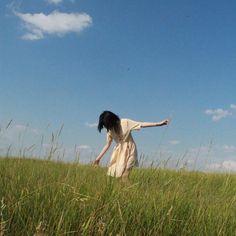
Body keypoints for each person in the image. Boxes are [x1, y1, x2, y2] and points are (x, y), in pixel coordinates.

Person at [94, 111, 169, 180]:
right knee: (119, 176)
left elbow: (141, 124)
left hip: (131, 150)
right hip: (119, 153)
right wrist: (98, 158)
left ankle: (126, 192)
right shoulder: (109, 130)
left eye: (107, 125)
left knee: (125, 175)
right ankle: (124, 193)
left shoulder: (125, 122)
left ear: (112, 120)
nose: (107, 127)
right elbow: (107, 145)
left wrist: (159, 123)